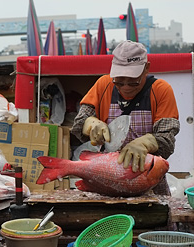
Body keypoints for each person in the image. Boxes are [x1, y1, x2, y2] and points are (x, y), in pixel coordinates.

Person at [71, 40, 179, 195]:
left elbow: (167, 140)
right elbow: (80, 122)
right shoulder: (103, 84)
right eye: (119, 82)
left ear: (146, 68)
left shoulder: (161, 90)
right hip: (107, 178)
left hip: (148, 181)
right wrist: (91, 123)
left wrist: (146, 142)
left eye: (133, 82)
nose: (126, 87)